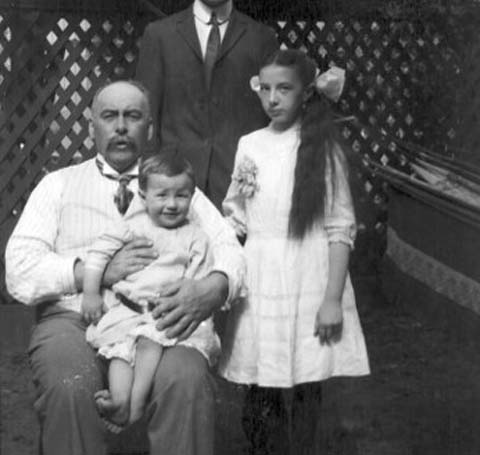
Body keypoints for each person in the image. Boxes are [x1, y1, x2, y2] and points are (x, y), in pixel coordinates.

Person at [5, 79, 246, 455]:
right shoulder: (58, 185)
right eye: (109, 116)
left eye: (132, 116)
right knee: (70, 382)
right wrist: (95, 273)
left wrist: (212, 287)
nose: (120, 127)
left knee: (185, 380)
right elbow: (19, 269)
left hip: (160, 319)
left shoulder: (175, 189)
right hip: (75, 317)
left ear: (148, 129)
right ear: (92, 127)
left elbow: (229, 248)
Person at [218, 49, 370, 455]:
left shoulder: (322, 147)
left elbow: (340, 228)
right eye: (265, 88)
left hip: (310, 277)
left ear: (305, 94)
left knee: (305, 384)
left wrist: (333, 300)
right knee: (259, 383)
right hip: (262, 274)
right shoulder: (249, 144)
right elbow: (236, 216)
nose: (272, 99)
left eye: (283, 89)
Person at [135, 0, 278, 209]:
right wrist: (152, 183)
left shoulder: (261, 39)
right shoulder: (160, 36)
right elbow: (146, 118)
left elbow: (273, 118)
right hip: (175, 187)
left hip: (241, 187)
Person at [82, 149, 220, 432]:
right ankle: (119, 401)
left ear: (192, 197)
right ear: (143, 196)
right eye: (162, 195)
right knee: (119, 352)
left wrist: (184, 296)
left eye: (181, 195)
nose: (171, 204)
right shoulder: (132, 227)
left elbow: (197, 278)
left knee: (148, 343)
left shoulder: (195, 236)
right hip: (128, 311)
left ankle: (136, 404)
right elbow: (97, 255)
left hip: (162, 316)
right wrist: (91, 293)